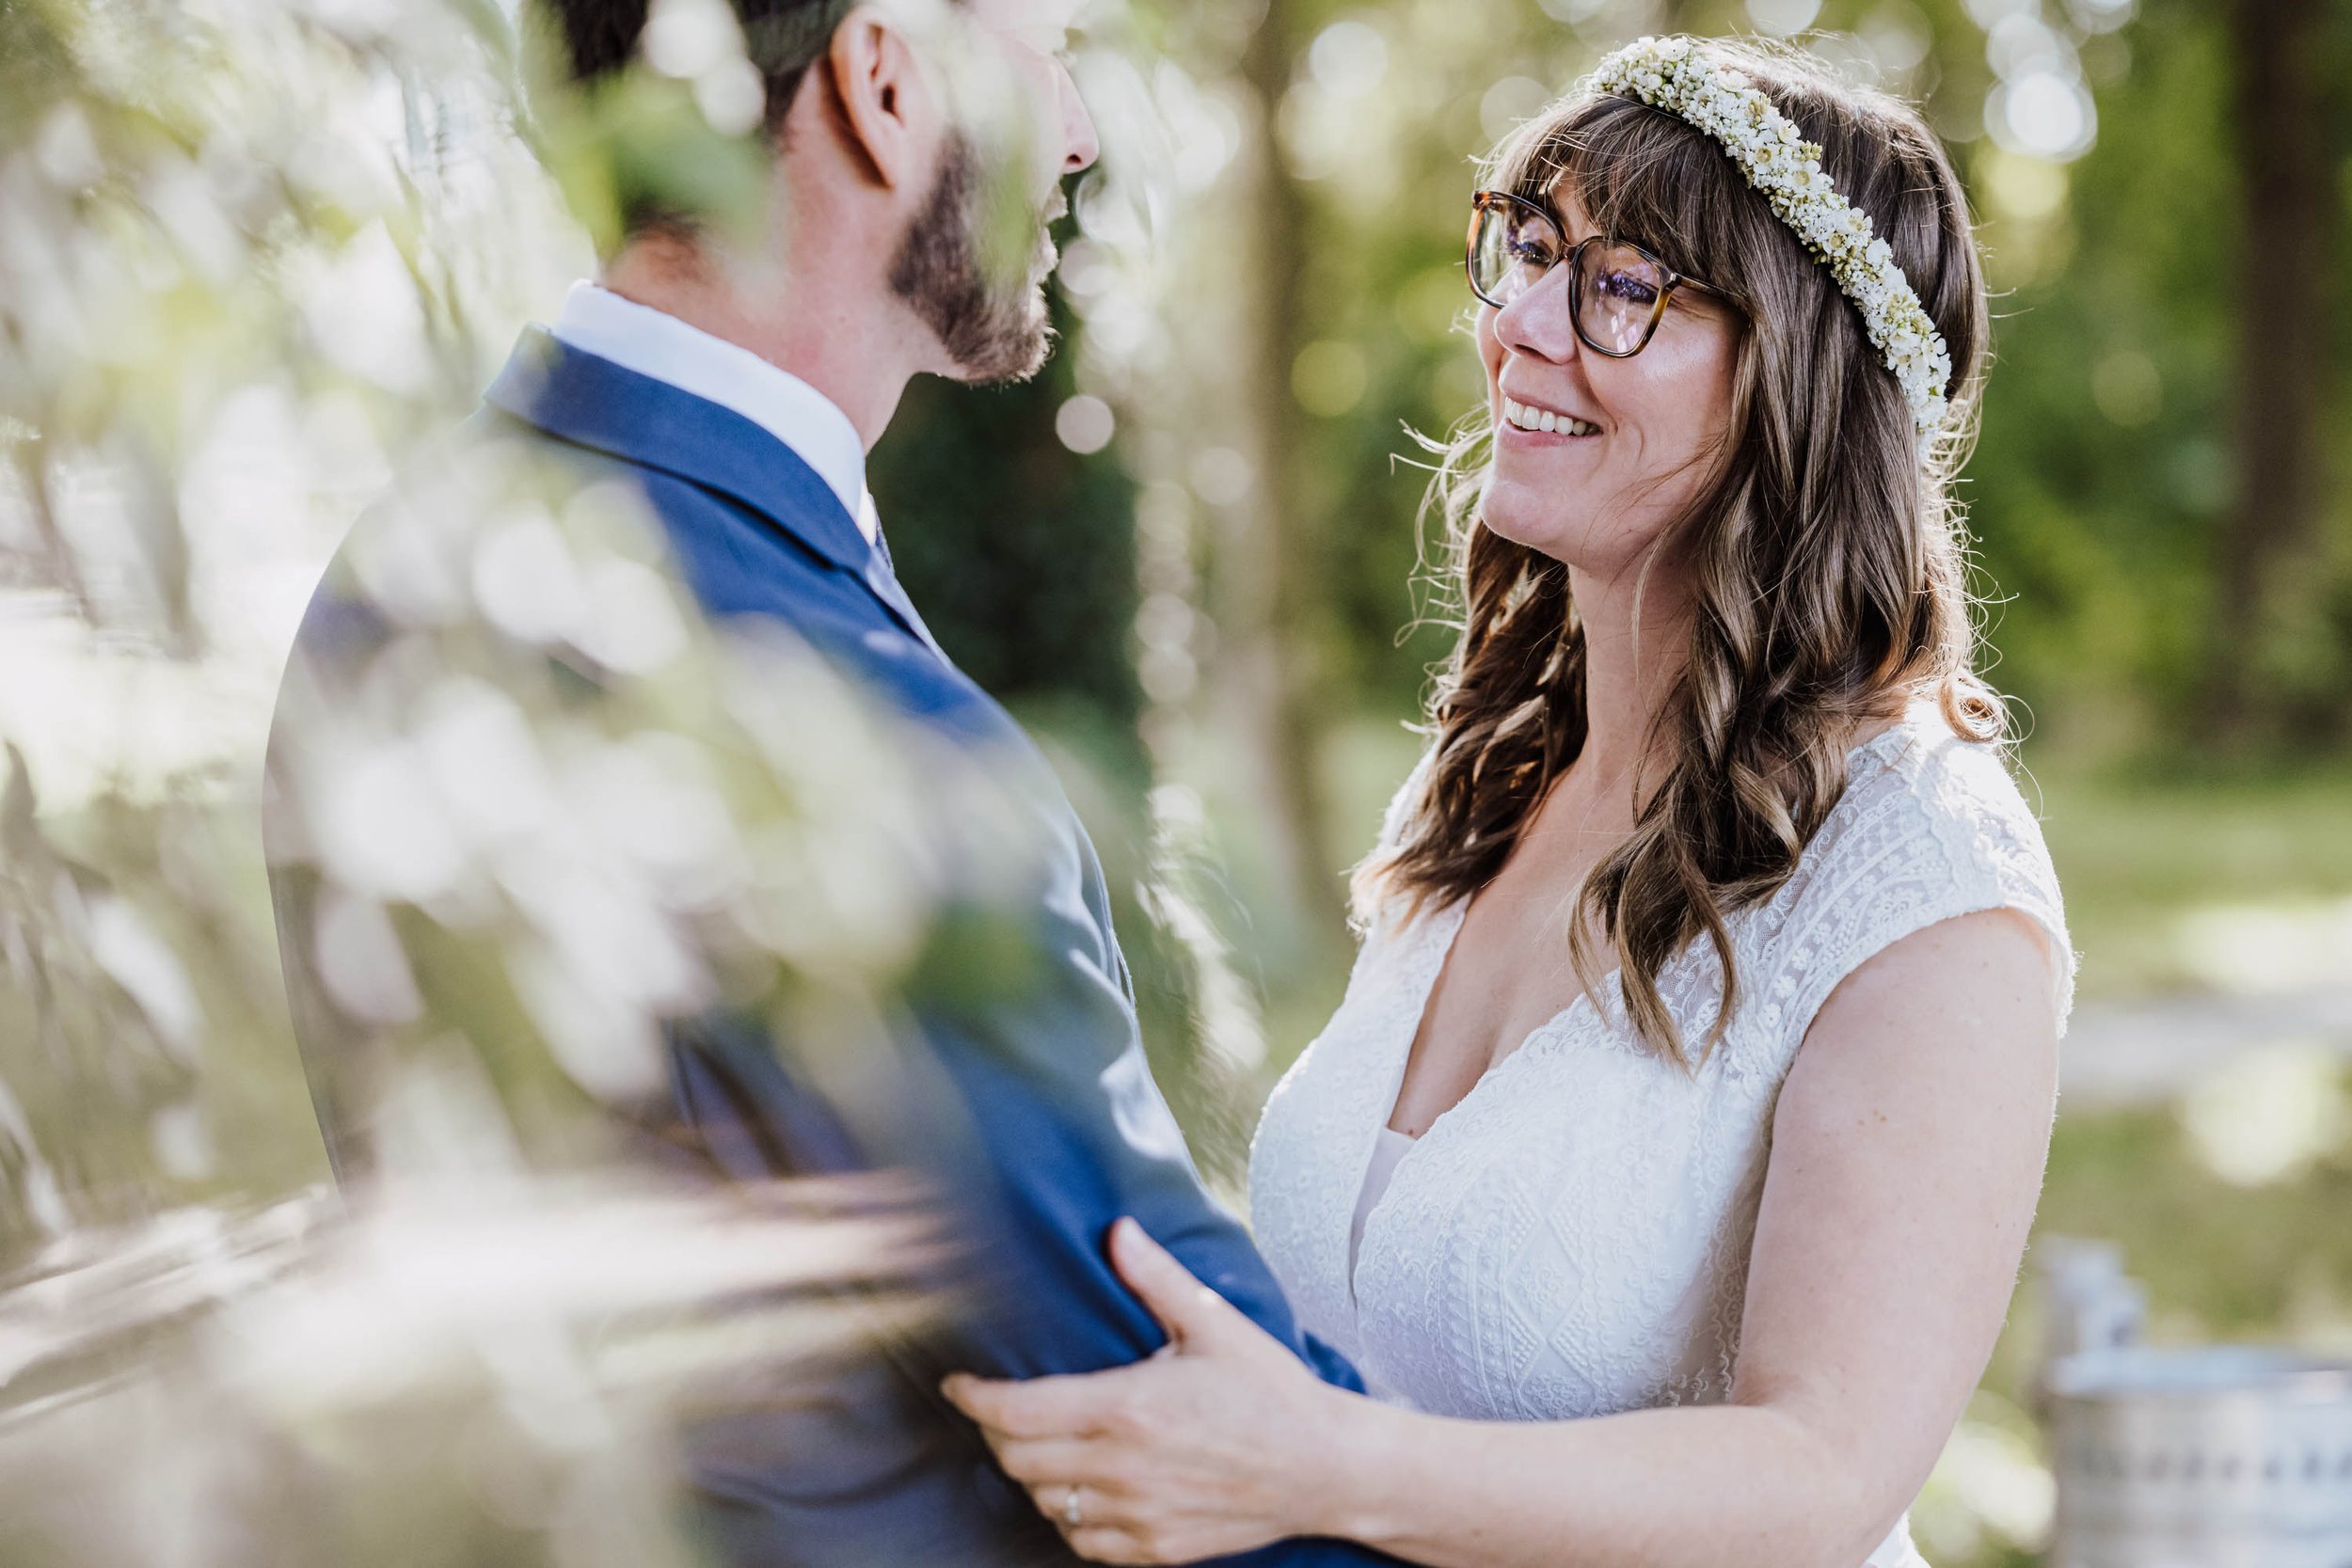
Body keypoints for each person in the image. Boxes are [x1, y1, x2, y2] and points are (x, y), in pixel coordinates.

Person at [262, 2, 1404, 1564]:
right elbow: (1220, 1432)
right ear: (880, 81)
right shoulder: (844, 737)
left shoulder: (406, 568)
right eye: (1049, 43)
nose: (1076, 131)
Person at [942, 35, 2075, 1568]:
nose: (1522, 326)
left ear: (1801, 385)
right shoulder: (1490, 784)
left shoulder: (1927, 872)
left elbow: (1823, 1477)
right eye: (1530, 249)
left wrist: (1323, 1469)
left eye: (1623, 288)